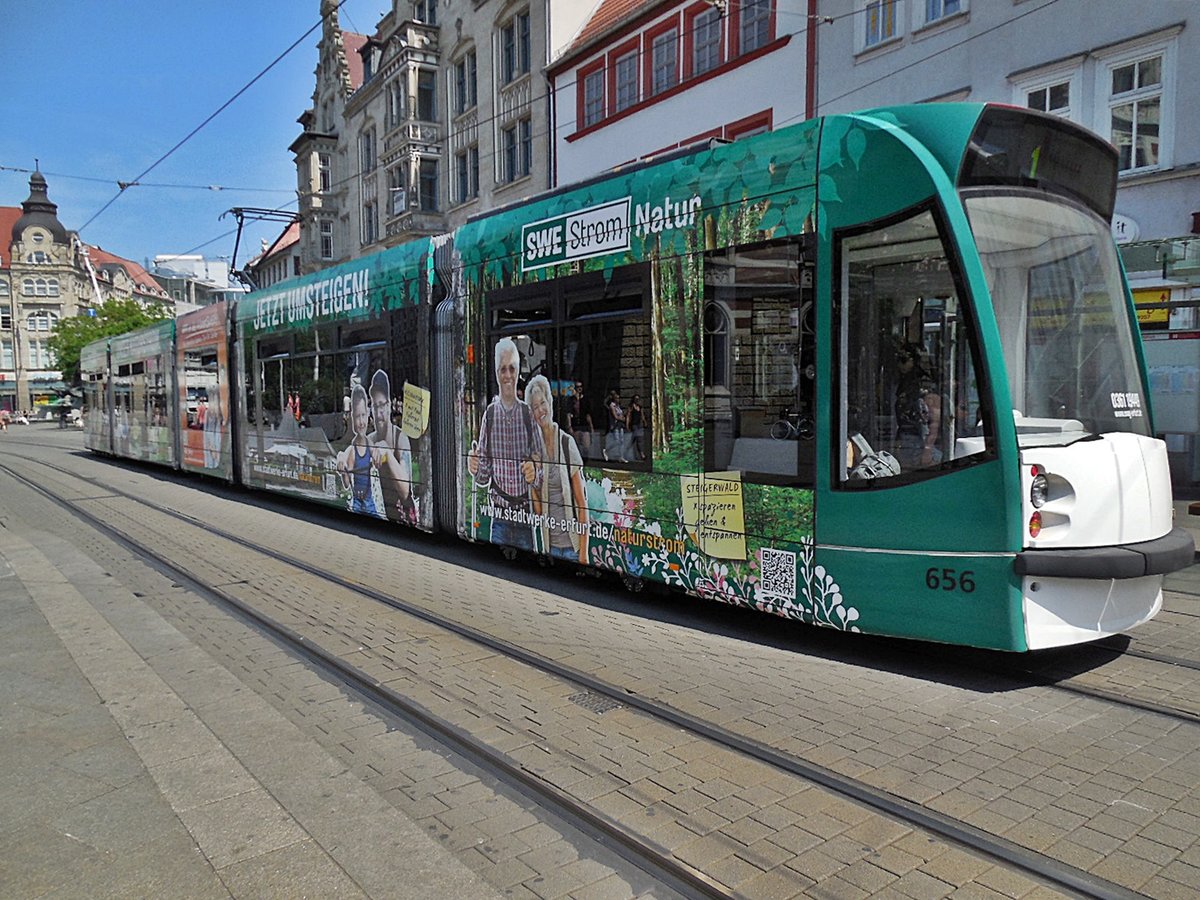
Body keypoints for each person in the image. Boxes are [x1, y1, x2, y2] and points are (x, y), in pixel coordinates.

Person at [467, 338, 542, 550]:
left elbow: (541, 466)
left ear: (518, 371)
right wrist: (474, 467)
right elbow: (484, 476)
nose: (508, 375)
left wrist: (535, 471)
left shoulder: (528, 415)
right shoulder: (489, 415)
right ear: (497, 373)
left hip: (525, 514)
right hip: (498, 516)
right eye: (503, 369)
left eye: (512, 368)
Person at [526, 375, 590, 564]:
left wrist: (583, 554)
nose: (540, 410)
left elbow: (582, 503)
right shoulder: (534, 449)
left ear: (550, 402)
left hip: (572, 547)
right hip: (549, 546)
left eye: (542, 403)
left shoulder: (566, 443)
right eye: (534, 408)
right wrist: (532, 482)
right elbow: (538, 511)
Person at [368, 369, 416, 523]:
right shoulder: (369, 439)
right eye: (375, 406)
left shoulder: (400, 437)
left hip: (404, 516)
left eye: (382, 405)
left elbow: (405, 490)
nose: (379, 412)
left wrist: (387, 454)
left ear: (389, 406)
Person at [336, 384, 385, 517]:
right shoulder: (352, 450)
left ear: (368, 415)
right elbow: (347, 484)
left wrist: (380, 452)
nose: (361, 422)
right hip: (356, 503)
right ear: (352, 418)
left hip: (370, 503)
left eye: (363, 415)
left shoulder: (372, 445)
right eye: (357, 417)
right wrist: (343, 471)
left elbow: (381, 459)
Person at [893, 344, 940, 468]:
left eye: (903, 360)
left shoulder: (923, 383)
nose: (899, 365)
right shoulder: (903, 382)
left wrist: (928, 449)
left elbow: (934, 420)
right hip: (905, 438)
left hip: (920, 440)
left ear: (914, 361)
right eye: (898, 360)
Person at [566, 381, 594, 460]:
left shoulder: (585, 399)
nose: (579, 388)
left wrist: (591, 426)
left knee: (586, 446)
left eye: (581, 386)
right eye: (578, 387)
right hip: (576, 425)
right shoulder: (571, 400)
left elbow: (588, 414)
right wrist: (569, 426)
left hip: (584, 424)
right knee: (577, 445)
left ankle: (585, 460)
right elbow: (568, 413)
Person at [605, 390, 627, 462]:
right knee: (616, 441)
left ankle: (621, 456)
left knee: (621, 441)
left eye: (619, 398)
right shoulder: (612, 405)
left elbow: (621, 414)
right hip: (615, 426)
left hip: (620, 425)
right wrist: (622, 419)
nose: (618, 399)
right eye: (616, 398)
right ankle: (607, 450)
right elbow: (615, 416)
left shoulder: (618, 406)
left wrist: (623, 417)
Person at [626, 394, 645, 461]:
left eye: (638, 399)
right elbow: (628, 416)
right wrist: (627, 425)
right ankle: (641, 454)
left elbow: (642, 415)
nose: (637, 400)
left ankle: (641, 454)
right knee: (636, 439)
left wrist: (644, 422)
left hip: (639, 425)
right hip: (634, 425)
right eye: (636, 399)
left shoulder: (640, 407)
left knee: (638, 439)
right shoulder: (631, 407)